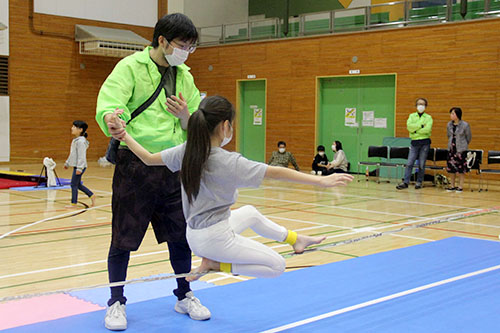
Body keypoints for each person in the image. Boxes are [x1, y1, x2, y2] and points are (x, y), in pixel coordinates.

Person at [108, 95, 353, 287]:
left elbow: (149, 158)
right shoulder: (228, 161)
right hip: (215, 239)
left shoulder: (187, 150)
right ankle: (216, 265)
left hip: (195, 234)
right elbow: (276, 172)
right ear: (225, 126)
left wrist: (124, 135)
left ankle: (295, 239)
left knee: (251, 213)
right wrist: (321, 182)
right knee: (276, 266)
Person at [95, 13, 209, 331]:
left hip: (173, 165)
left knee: (180, 237)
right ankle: (116, 302)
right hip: (135, 165)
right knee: (123, 238)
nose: (186, 51)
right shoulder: (130, 67)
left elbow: (196, 124)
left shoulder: (184, 74)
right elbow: (111, 104)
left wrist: (187, 115)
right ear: (162, 40)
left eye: (191, 46)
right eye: (182, 45)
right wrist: (112, 118)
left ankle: (184, 294)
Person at [396, 98, 433, 190]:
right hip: (414, 143)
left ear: (425, 106)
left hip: (425, 143)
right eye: (419, 104)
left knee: (421, 164)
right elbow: (409, 127)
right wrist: (420, 126)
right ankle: (405, 182)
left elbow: (427, 130)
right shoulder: (411, 116)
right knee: (409, 163)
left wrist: (415, 131)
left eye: (423, 104)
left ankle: (419, 182)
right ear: (416, 106)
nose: (421, 106)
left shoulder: (428, 117)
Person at [64, 120, 95, 207]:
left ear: (80, 129)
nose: (72, 128)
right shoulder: (76, 140)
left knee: (73, 184)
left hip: (80, 166)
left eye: (74, 127)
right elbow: (73, 154)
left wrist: (79, 168)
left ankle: (73, 203)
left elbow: (82, 156)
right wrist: (67, 163)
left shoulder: (81, 142)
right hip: (76, 165)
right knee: (78, 184)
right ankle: (92, 195)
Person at [445, 107, 471, 193]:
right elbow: (449, 135)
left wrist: (463, 145)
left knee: (461, 169)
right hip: (451, 149)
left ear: (458, 115)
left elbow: (468, 137)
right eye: (451, 113)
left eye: (453, 113)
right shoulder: (449, 124)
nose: (451, 115)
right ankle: (452, 185)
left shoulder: (465, 125)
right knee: (451, 168)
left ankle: (460, 186)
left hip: (461, 150)